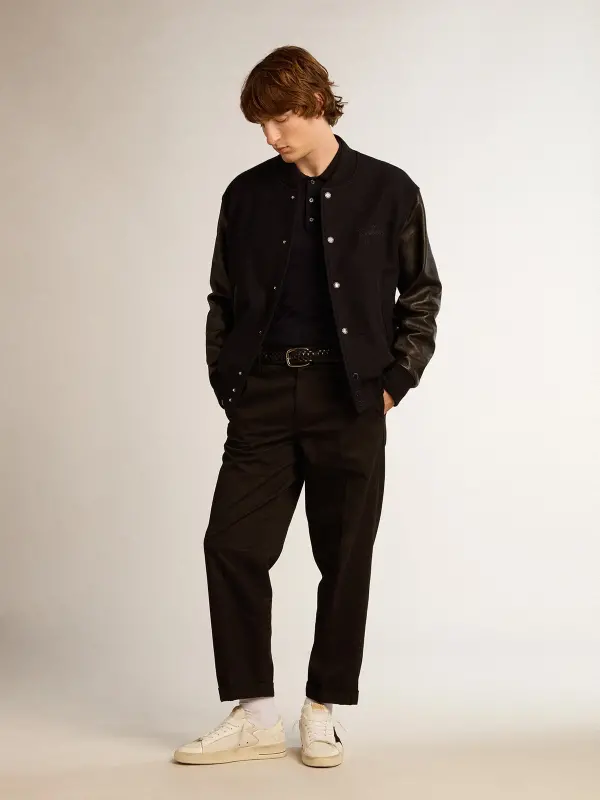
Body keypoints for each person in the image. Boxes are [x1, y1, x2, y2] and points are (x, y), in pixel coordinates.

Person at [173, 45, 442, 769]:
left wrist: (396, 380)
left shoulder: (389, 190)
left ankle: (321, 710)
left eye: (281, 119)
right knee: (232, 545)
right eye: (261, 124)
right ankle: (255, 714)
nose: (271, 137)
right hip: (262, 395)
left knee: (344, 557)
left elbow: (421, 291)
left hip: (349, 398)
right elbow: (223, 298)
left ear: (317, 103)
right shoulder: (246, 195)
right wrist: (229, 382)